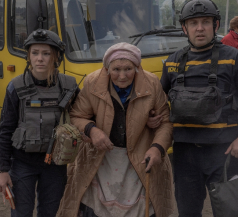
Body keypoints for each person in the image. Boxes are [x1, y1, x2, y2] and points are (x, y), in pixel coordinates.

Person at [56, 42, 174, 217]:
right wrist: (92, 130)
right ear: (107, 68)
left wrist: (157, 148)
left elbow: (165, 122)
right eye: (116, 69)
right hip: (101, 158)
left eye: (128, 69)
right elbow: (76, 116)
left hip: (140, 156)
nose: (122, 76)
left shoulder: (151, 83)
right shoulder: (93, 82)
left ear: (137, 67)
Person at [160, 0, 238, 217]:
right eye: (193, 23)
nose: (199, 28)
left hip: (226, 152)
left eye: (205, 22)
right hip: (184, 155)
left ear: (216, 25)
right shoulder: (172, 62)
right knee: (187, 212)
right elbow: (157, 104)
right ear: (185, 28)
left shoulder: (234, 59)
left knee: (233, 212)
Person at [0, 29, 78, 217]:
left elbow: (84, 115)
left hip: (56, 165)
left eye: (46, 53)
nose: (40, 58)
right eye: (35, 53)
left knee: (49, 213)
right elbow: (5, 130)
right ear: (29, 56)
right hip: (22, 163)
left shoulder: (69, 86)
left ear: (56, 57)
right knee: (21, 213)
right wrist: (3, 170)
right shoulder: (16, 87)